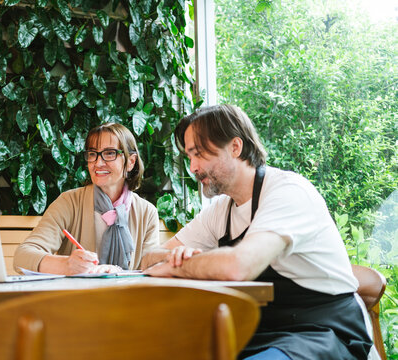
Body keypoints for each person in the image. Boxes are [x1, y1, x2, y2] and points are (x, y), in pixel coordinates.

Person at [142, 105, 372, 359]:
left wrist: (178, 265)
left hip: (324, 332)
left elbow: (237, 267)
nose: (193, 167)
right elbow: (149, 258)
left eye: (200, 154)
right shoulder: (220, 210)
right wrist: (175, 256)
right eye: (189, 157)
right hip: (259, 330)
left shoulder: (288, 192)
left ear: (235, 147)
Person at [14, 123, 159, 275]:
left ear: (131, 162)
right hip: (77, 298)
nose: (98, 163)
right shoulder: (69, 202)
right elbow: (22, 257)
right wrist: (66, 265)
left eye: (110, 153)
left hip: (127, 297)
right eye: (92, 154)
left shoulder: (147, 212)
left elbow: (152, 270)